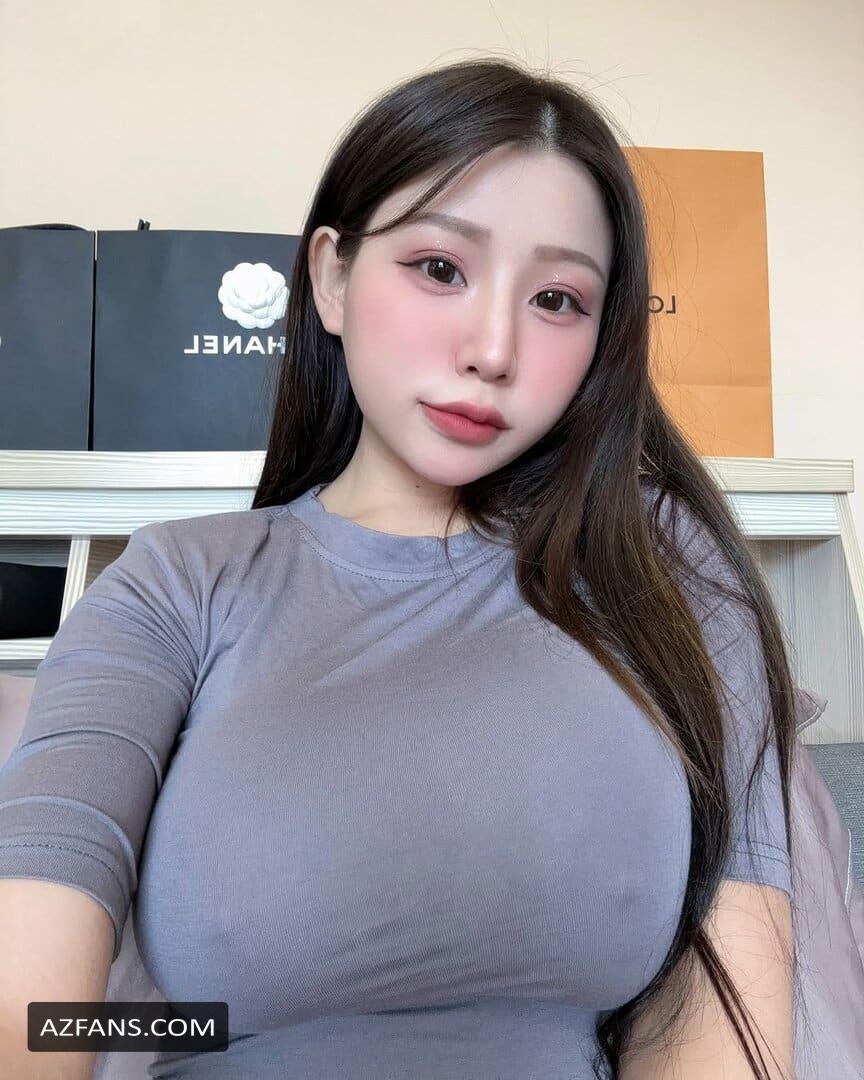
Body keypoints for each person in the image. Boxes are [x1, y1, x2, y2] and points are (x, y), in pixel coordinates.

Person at [0, 57, 800, 1078]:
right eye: (439, 268)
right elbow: (40, 1016)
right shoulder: (179, 583)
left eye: (557, 298)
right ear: (331, 277)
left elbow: (724, 1002)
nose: (493, 348)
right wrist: (209, 1033)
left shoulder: (661, 573)